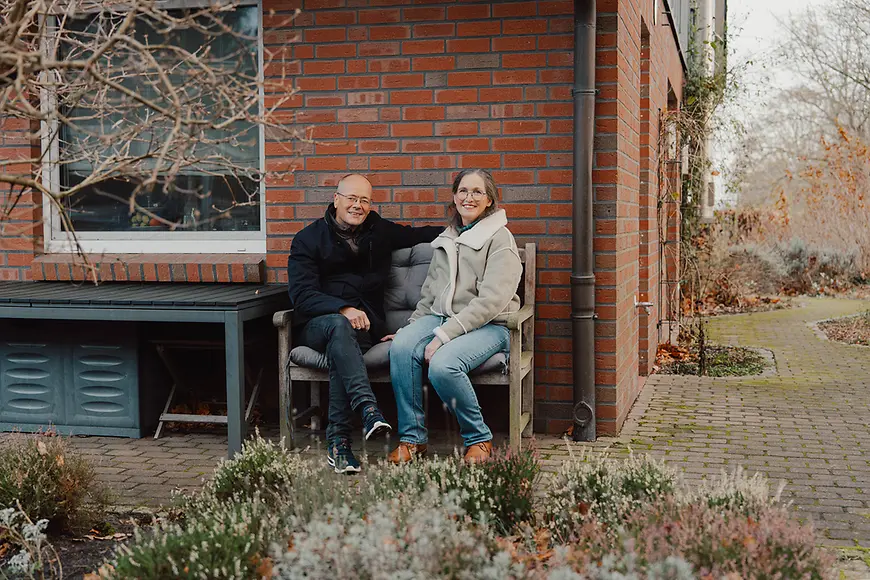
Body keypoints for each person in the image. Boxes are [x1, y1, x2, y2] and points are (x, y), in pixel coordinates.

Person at [286, 174, 442, 473]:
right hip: (318, 325)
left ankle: (340, 446)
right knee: (339, 327)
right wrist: (342, 309)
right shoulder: (308, 239)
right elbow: (302, 296)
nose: (358, 205)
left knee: (343, 348)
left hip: (365, 329)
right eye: (352, 198)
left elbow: (417, 234)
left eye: (364, 200)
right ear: (336, 199)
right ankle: (367, 409)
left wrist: (467, 227)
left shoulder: (378, 230)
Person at [388, 169, 522, 464]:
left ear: (489, 200)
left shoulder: (500, 239)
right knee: (401, 347)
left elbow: (491, 301)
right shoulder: (446, 239)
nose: (468, 197)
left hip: (491, 325)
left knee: (443, 364)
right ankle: (413, 439)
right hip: (442, 318)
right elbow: (429, 294)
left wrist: (443, 337)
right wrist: (411, 329)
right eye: (463, 191)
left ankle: (479, 438)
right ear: (454, 196)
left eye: (477, 192)